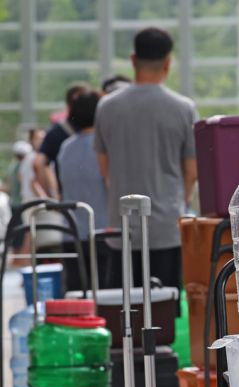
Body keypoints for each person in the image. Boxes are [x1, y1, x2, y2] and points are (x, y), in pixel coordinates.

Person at [94, 27, 198, 289]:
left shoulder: (107, 106)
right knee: (163, 314)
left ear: (132, 60)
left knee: (125, 315)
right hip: (166, 229)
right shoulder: (183, 108)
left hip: (122, 229)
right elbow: (191, 171)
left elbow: (104, 169)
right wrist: (179, 201)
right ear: (168, 63)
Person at [58, 89, 110, 290]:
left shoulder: (65, 148)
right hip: (104, 232)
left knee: (78, 298)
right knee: (107, 299)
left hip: (72, 233)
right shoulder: (104, 147)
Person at [34, 82, 90, 198]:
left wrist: (52, 196)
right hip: (98, 198)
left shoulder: (55, 132)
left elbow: (38, 164)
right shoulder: (97, 130)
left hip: (68, 199)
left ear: (67, 104)